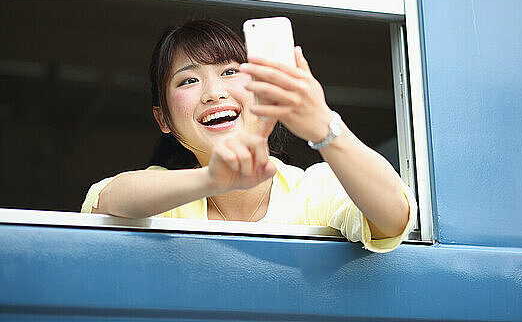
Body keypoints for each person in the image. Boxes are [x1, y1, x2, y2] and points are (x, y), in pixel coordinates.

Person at [81, 18, 417, 253]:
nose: (214, 93)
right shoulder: (166, 196)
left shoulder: (310, 191)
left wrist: (324, 125)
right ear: (163, 119)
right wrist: (213, 179)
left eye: (230, 71)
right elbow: (106, 203)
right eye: (188, 80)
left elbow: (393, 217)